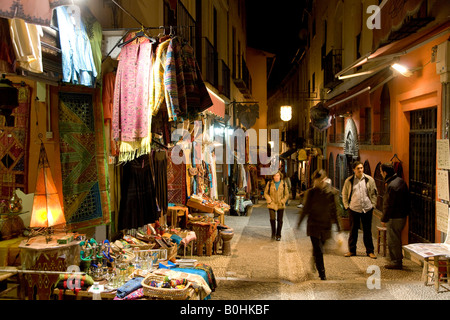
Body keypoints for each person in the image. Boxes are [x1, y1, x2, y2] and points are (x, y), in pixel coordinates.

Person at [298, 169, 340, 280]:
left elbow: (334, 210)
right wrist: (299, 223)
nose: (320, 182)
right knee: (318, 249)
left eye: (322, 179)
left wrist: (338, 226)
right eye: (318, 180)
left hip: (326, 225)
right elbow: (305, 209)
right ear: (315, 181)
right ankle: (322, 273)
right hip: (313, 225)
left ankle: (314, 259)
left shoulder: (331, 193)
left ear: (325, 179)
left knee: (321, 248)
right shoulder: (310, 193)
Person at [342, 161, 378, 259]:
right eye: (358, 168)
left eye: (361, 168)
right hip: (354, 208)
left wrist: (373, 205)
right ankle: (352, 250)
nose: (360, 170)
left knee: (367, 231)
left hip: (366, 208)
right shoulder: (349, 181)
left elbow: (374, 193)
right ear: (354, 170)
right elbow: (344, 194)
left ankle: (370, 251)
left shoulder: (369, 180)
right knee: (353, 231)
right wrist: (347, 206)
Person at [380, 162, 410, 270]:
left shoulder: (392, 185)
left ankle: (396, 261)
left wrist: (384, 218)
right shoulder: (400, 181)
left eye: (381, 172)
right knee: (396, 238)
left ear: (385, 172)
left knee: (393, 240)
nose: (381, 174)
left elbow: (389, 204)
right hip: (402, 216)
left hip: (394, 217)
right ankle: (397, 260)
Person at [264, 170, 289, 241]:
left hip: (280, 204)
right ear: (273, 177)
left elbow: (286, 194)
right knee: (272, 219)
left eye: (278, 175)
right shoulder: (269, 183)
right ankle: (273, 233)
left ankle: (278, 235)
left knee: (280, 220)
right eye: (275, 176)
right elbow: (265, 193)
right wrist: (269, 200)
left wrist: (283, 201)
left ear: (280, 176)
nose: (276, 177)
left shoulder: (284, 183)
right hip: (272, 203)